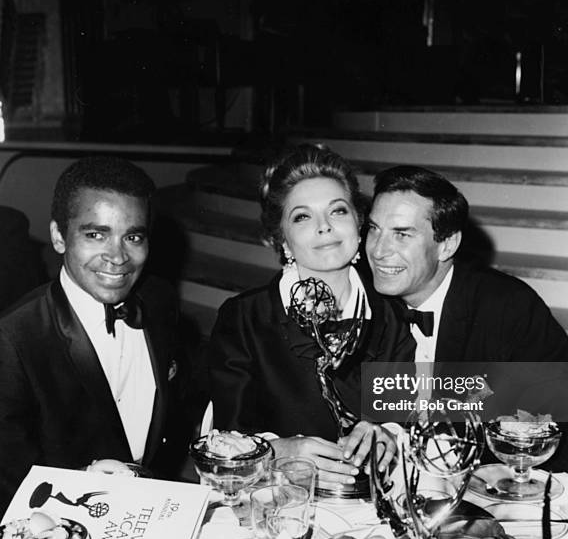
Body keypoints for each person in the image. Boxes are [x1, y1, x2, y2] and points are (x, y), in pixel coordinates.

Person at [365, 165, 568, 471]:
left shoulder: (508, 307)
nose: (378, 250)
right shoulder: (361, 302)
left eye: (401, 234)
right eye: (374, 229)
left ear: (447, 244)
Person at [209, 145, 415, 488]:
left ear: (359, 224)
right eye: (302, 216)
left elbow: (402, 414)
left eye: (338, 211)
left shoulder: (390, 313)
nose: (325, 227)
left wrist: (388, 434)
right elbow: (229, 438)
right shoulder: (245, 319)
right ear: (282, 240)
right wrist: (280, 451)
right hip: (277, 498)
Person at [0, 156, 187, 514]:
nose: (118, 257)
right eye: (96, 234)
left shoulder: (158, 299)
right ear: (58, 237)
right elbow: (9, 483)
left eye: (133, 237)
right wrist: (84, 479)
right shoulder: (13, 339)